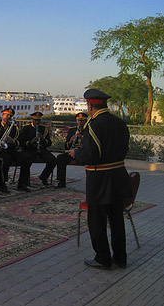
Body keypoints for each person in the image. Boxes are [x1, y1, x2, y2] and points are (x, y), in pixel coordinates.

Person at [67, 89, 132, 270]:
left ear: (90, 106)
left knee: (97, 220)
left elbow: (91, 155)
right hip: (119, 174)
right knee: (117, 219)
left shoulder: (94, 125)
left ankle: (103, 258)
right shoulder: (119, 122)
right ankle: (120, 257)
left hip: (100, 177)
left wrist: (76, 153)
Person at [0, 108, 32, 192]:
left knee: (26, 158)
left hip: (11, 150)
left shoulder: (14, 128)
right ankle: (3, 184)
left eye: (10, 116)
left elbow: (21, 140)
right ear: (2, 115)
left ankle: (22, 184)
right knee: (5, 159)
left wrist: (13, 141)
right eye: (6, 115)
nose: (8, 117)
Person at [19, 112, 57, 186]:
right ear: (32, 120)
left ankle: (44, 176)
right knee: (26, 161)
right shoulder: (26, 128)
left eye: (38, 120)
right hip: (30, 149)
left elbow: (49, 143)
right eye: (35, 120)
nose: (37, 122)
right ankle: (24, 181)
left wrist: (42, 139)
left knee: (53, 161)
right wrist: (31, 142)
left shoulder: (44, 129)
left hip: (41, 149)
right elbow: (22, 142)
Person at [54, 112, 88, 188]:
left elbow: (90, 144)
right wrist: (70, 141)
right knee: (60, 158)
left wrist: (82, 138)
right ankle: (61, 182)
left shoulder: (89, 130)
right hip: (73, 152)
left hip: (84, 153)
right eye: (79, 121)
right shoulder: (72, 130)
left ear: (86, 121)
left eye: (82, 121)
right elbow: (66, 146)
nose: (80, 122)